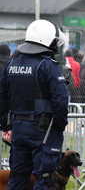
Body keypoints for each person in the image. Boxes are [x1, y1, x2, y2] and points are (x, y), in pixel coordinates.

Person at [0, 19, 69, 189]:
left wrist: (6, 125)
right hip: (44, 130)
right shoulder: (47, 65)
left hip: (18, 128)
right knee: (44, 177)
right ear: (47, 40)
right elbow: (61, 101)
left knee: (18, 175)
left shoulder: (12, 64)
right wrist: (60, 125)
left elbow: (2, 97)